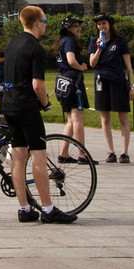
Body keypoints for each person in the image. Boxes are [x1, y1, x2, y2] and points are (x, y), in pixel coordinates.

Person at [3, 5, 75, 223]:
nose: (45, 25)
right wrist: (45, 103)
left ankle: (24, 208)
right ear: (36, 23)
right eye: (44, 22)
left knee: (18, 156)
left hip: (9, 104)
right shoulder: (36, 48)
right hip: (26, 106)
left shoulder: (12, 43)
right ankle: (48, 209)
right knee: (38, 157)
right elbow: (37, 85)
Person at [90, 13, 134, 163]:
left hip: (118, 81)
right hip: (102, 81)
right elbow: (92, 63)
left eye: (104, 23)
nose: (101, 26)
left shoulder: (120, 42)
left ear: (109, 24)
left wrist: (131, 87)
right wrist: (99, 48)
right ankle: (110, 151)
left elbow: (128, 67)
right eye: (99, 24)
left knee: (123, 117)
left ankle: (125, 152)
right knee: (105, 117)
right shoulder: (94, 42)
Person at [53, 16, 90, 161]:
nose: (78, 28)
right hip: (73, 81)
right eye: (75, 26)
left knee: (70, 120)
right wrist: (81, 66)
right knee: (78, 119)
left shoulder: (61, 41)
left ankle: (64, 153)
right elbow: (71, 60)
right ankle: (82, 154)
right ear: (68, 29)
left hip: (64, 80)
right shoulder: (69, 41)